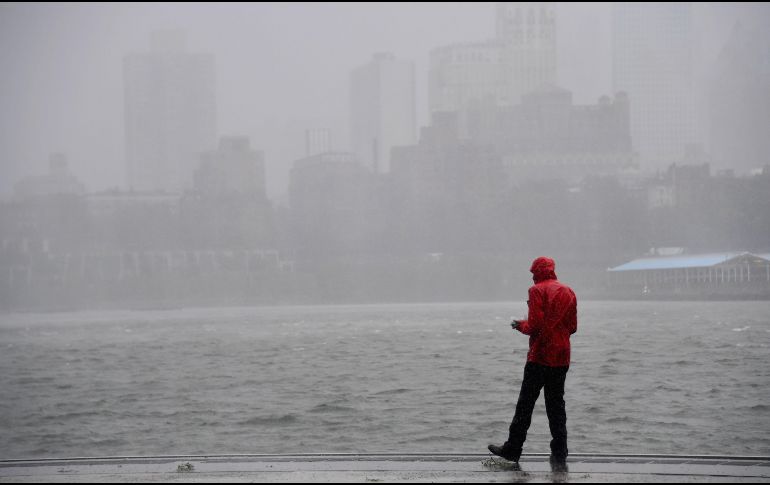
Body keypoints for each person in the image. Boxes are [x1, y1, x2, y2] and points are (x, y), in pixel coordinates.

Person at [488, 256, 577, 472]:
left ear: (538, 271)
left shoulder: (536, 291)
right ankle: (560, 450)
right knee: (556, 405)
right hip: (562, 356)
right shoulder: (569, 291)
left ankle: (513, 448)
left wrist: (520, 325)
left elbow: (535, 326)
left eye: (533, 272)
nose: (532, 276)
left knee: (525, 404)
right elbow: (573, 327)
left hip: (541, 356)